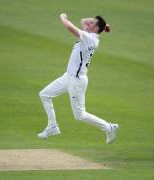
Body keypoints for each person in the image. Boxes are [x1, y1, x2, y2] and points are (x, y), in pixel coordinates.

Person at [37, 13, 119, 144]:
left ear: (96, 28)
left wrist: (62, 17)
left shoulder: (90, 39)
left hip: (76, 81)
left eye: (92, 23)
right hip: (67, 77)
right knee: (44, 95)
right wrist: (103, 25)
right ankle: (52, 127)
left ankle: (109, 127)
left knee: (80, 116)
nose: (88, 23)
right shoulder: (90, 35)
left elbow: (70, 27)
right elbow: (83, 21)